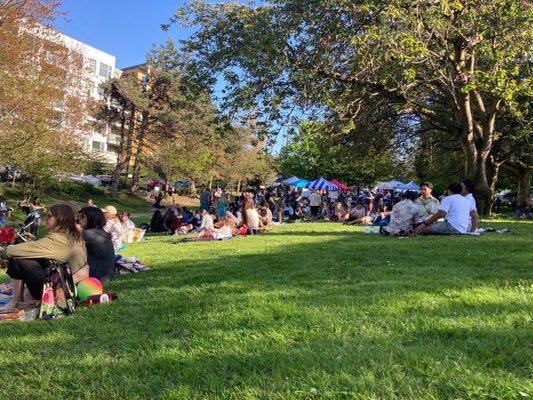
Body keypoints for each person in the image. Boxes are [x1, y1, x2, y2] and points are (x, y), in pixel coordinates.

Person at [1, 204, 88, 309]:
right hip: (71, 287)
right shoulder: (74, 236)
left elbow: (12, 251)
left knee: (16, 258)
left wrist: (4, 251)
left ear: (60, 219)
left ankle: (16, 302)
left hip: (56, 291)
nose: (45, 219)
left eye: (49, 216)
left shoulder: (57, 239)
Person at [78, 207, 115, 284]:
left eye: (82, 217)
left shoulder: (87, 234)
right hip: (106, 276)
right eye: (79, 216)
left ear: (91, 218)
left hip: (95, 278)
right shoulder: (100, 232)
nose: (78, 219)